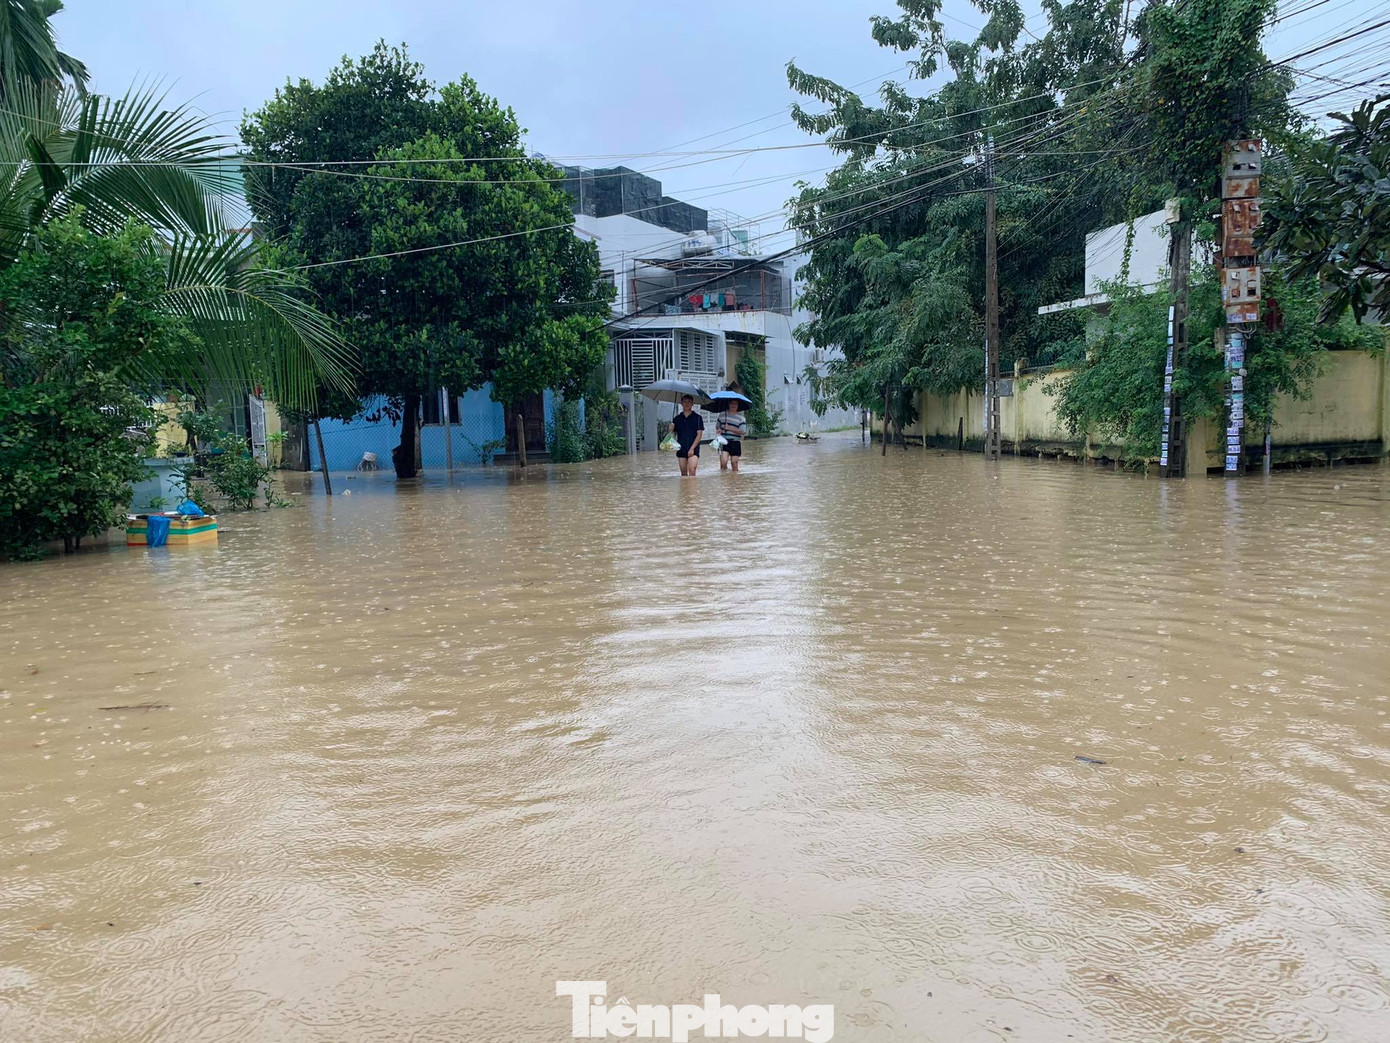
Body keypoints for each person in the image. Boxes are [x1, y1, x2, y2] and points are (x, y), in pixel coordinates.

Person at [671, 394, 704, 476]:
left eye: (689, 402)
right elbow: (673, 437)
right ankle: (685, 489)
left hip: (694, 448)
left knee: (692, 470)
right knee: (684, 473)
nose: (687, 403)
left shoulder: (698, 418)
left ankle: (693, 489)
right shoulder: (677, 419)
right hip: (681, 448)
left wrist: (692, 449)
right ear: (681, 403)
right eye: (685, 401)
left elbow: (699, 435)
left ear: (693, 403)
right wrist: (670, 430)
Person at [717, 399, 747, 471]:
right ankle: (724, 478)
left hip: (735, 442)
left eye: (735, 404)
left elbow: (742, 432)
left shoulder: (741, 418)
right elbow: (718, 426)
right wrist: (719, 429)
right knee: (723, 462)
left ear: (738, 405)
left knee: (734, 463)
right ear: (728, 404)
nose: (733, 405)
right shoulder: (722, 415)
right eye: (732, 403)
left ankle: (734, 479)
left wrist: (729, 428)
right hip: (723, 441)